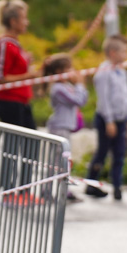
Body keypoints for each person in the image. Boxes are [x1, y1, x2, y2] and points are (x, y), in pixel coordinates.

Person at [0, 0, 42, 205]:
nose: (26, 22)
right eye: (23, 18)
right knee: (12, 147)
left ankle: (24, 189)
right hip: (9, 101)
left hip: (22, 100)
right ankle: (8, 191)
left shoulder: (16, 44)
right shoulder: (4, 44)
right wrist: (27, 75)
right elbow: (0, 76)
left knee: (31, 144)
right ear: (12, 21)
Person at [85, 34, 127, 201]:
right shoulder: (104, 72)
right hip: (107, 120)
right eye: (124, 51)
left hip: (121, 119)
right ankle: (91, 184)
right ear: (113, 53)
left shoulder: (122, 71)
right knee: (102, 152)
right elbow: (104, 98)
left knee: (119, 154)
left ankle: (117, 186)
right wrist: (109, 121)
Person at [43, 53, 88, 202]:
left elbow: (83, 99)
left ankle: (61, 190)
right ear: (59, 71)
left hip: (65, 128)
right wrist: (80, 85)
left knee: (62, 160)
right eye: (69, 68)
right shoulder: (58, 88)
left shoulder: (67, 86)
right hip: (59, 128)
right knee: (58, 161)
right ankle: (50, 190)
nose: (73, 71)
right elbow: (78, 100)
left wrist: (79, 86)